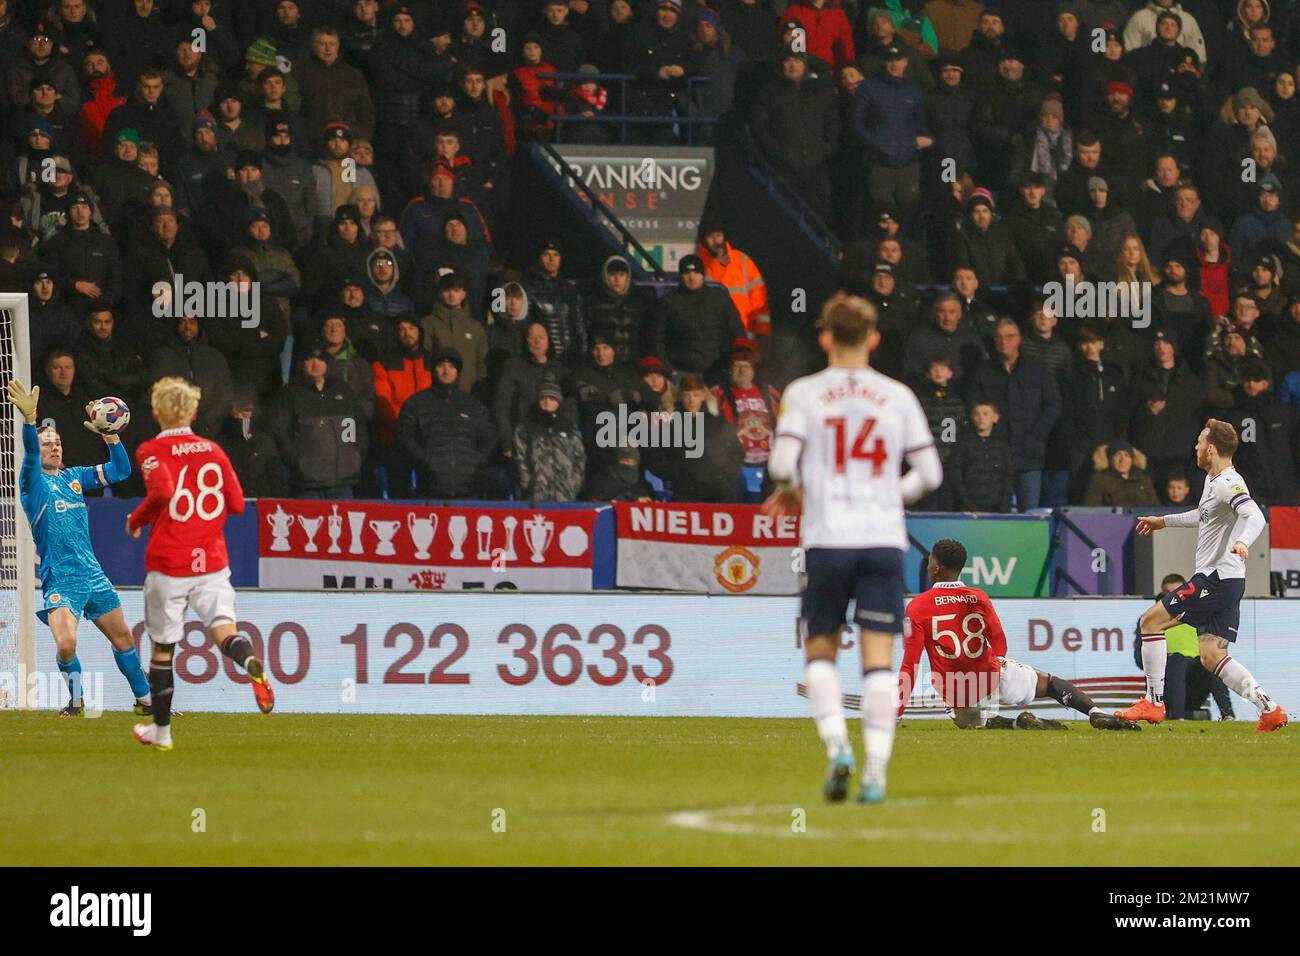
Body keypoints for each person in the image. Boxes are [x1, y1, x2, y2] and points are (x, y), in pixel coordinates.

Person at [763, 294, 943, 804]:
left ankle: (838, 745)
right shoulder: (899, 395)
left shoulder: (802, 393)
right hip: (883, 540)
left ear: (824, 338)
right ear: (875, 339)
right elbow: (930, 474)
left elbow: (779, 466)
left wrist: (799, 488)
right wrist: (888, 493)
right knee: (879, 662)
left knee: (820, 648)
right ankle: (877, 772)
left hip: (828, 540)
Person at [126, 377, 271, 751]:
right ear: (192, 411)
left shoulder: (150, 450)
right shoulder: (212, 449)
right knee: (224, 629)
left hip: (169, 563)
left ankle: (162, 731)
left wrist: (136, 519)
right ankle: (250, 658)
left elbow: (161, 491)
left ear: (156, 412)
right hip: (212, 561)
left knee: (163, 648)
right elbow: (237, 505)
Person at [1122, 419, 1288, 732]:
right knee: (1212, 655)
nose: (1196, 448)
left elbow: (1255, 515)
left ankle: (1154, 702)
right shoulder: (1214, 481)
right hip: (1229, 581)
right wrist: (1164, 521)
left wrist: (1242, 541)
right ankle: (1270, 709)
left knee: (1150, 622)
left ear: (1210, 449)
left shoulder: (1229, 482)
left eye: (1199, 442)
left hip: (1214, 579)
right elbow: (1203, 515)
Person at [6, 379, 151, 717]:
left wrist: (111, 436)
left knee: (124, 640)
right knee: (67, 643)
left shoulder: (76, 477)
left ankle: (146, 702)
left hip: (93, 575)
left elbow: (121, 470)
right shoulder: (33, 485)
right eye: (47, 444)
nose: (54, 448)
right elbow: (29, 456)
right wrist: (30, 423)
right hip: (62, 580)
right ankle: (76, 700)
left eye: (57, 443)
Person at [901, 538, 1141, 730]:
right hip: (992, 675)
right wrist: (996, 666)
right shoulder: (978, 596)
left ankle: (1016, 723)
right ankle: (1096, 713)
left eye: (931, 559)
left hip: (957, 691)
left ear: (936, 568)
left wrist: (897, 711)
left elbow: (910, 664)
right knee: (1050, 684)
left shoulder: (918, 606)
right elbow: (998, 639)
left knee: (975, 724)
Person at [1133, 574, 1233, 721]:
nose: (1178, 599)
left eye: (1181, 593)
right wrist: (1166, 660)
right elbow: (1140, 660)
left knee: (1211, 664)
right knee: (1178, 659)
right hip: (1165, 685)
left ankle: (1228, 715)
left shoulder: (1200, 617)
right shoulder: (1151, 621)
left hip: (1194, 687)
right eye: (1172, 595)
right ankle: (1177, 717)